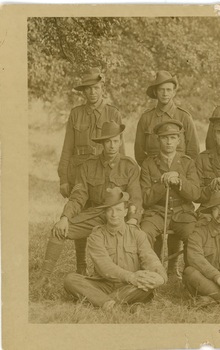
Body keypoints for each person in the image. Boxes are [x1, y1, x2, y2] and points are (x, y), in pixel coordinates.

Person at [36, 121, 142, 287]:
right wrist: (65, 217)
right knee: (59, 231)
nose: (112, 146)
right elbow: (78, 196)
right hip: (97, 214)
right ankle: (44, 278)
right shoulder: (88, 166)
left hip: (120, 218)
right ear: (102, 143)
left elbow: (136, 198)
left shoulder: (129, 166)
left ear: (120, 141)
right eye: (108, 142)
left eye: (115, 141)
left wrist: (133, 220)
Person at [58, 67, 126, 275]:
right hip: (79, 172)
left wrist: (118, 176)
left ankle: (104, 266)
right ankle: (80, 266)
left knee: (104, 218)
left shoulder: (113, 112)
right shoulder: (76, 113)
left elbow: (119, 148)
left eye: (96, 88)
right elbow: (67, 146)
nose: (92, 93)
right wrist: (63, 178)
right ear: (83, 92)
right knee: (78, 218)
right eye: (87, 89)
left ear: (102, 88)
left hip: (105, 172)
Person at [64, 187, 167, 310]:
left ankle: (102, 301)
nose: (114, 214)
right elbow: (104, 266)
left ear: (125, 212)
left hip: (131, 286)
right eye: (110, 210)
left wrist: (160, 277)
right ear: (104, 213)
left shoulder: (137, 234)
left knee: (147, 285)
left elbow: (149, 258)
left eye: (118, 210)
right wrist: (131, 277)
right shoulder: (96, 235)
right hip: (104, 284)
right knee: (70, 280)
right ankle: (116, 304)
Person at [139, 120, 200, 277]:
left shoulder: (187, 163)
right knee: (144, 233)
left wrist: (180, 181)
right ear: (158, 140)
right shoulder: (148, 164)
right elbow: (145, 198)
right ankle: (151, 272)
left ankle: (189, 275)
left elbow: (195, 193)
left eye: (173, 137)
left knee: (193, 235)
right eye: (165, 137)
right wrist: (162, 183)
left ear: (179, 140)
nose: (169, 142)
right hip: (157, 212)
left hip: (182, 211)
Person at [135, 70, 200, 166]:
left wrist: (181, 172)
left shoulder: (184, 117)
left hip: (179, 174)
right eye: (161, 89)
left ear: (174, 92)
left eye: (168, 90)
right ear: (155, 92)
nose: (165, 93)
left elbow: (193, 152)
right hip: (153, 176)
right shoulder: (146, 118)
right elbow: (139, 153)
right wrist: (151, 171)